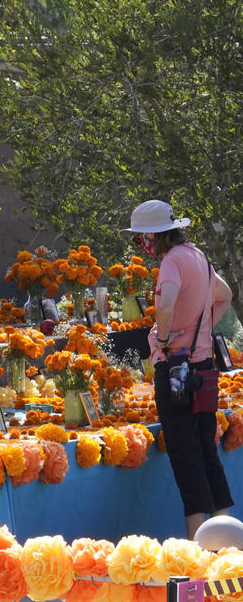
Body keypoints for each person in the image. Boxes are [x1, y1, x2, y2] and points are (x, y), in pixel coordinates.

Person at [121, 199, 235, 539]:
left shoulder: (172, 262)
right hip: (203, 367)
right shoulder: (199, 256)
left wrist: (166, 336)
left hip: (174, 368)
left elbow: (166, 305)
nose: (143, 244)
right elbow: (225, 295)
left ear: (154, 237)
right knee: (207, 451)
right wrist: (202, 329)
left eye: (143, 237)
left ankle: (198, 546)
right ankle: (226, 542)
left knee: (186, 457)